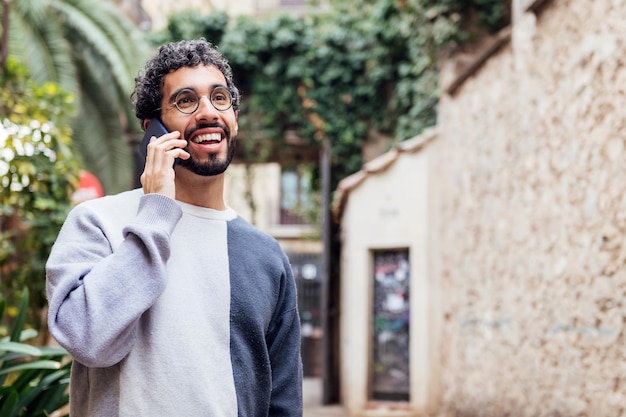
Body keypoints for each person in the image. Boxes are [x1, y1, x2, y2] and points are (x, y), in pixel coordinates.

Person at [46, 39, 303, 416]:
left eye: (220, 98)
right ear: (154, 129)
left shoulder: (265, 256)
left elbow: (283, 399)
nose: (208, 113)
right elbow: (87, 338)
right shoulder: (98, 222)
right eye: (186, 101)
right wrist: (156, 214)